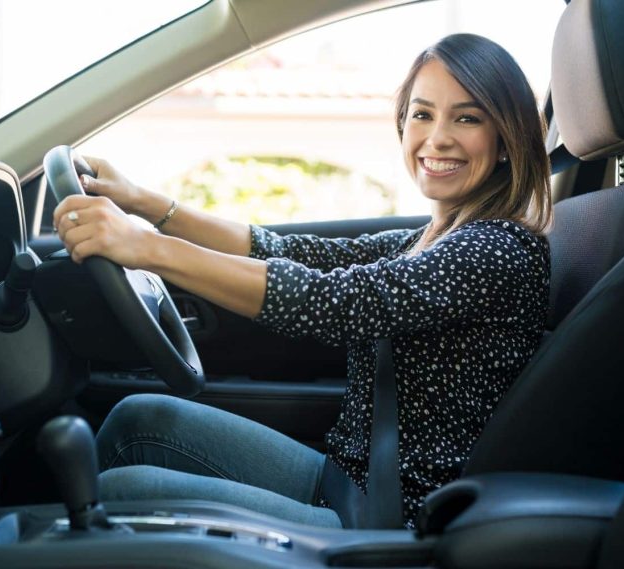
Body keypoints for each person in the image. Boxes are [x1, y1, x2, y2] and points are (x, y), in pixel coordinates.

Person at [53, 33, 552, 529]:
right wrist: (142, 201)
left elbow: (333, 302)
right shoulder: (429, 238)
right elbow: (287, 251)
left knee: (119, 493)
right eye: (422, 114)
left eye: (467, 118)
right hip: (348, 481)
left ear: (505, 140)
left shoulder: (496, 250)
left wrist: (147, 249)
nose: (437, 137)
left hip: (391, 521)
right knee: (138, 420)